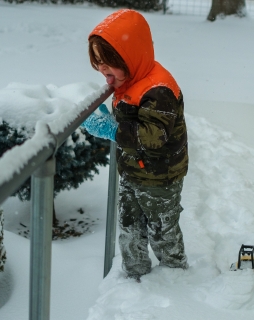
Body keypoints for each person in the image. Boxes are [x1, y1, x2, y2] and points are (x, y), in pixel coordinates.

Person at [81, 9, 189, 281]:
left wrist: (114, 130)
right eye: (99, 66)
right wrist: (115, 118)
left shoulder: (158, 89)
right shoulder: (131, 79)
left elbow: (153, 136)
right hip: (132, 171)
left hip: (160, 177)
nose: (104, 73)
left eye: (109, 65)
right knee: (129, 227)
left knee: (162, 230)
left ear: (130, 56)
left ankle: (175, 276)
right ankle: (134, 276)